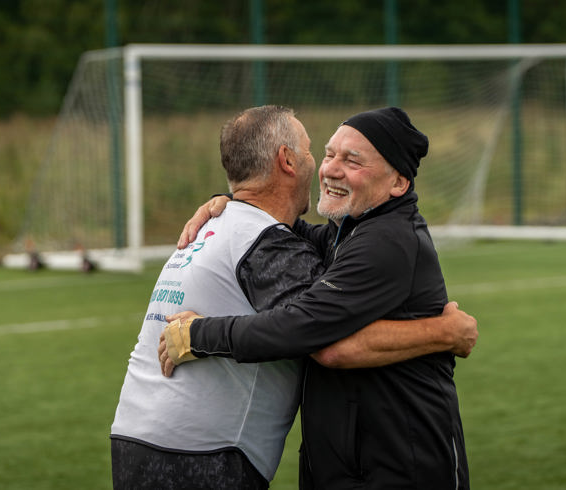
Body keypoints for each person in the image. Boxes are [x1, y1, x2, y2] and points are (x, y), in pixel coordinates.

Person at [111, 105, 476, 489]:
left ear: (398, 183)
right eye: (325, 153)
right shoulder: (342, 233)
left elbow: (316, 335)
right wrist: (232, 199)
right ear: (286, 160)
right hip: (327, 458)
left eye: (352, 160)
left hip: (401, 461)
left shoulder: (385, 242)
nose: (328, 168)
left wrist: (199, 336)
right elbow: (291, 234)